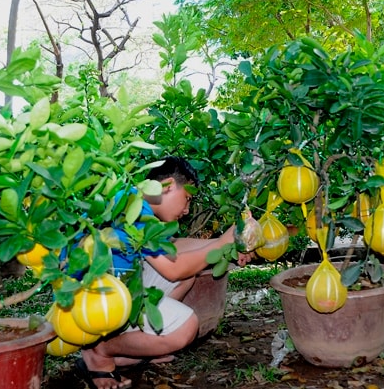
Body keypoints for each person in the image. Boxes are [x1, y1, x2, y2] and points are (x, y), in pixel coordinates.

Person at [75, 156, 254, 389]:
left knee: (188, 274)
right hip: (95, 303)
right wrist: (222, 241)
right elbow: (173, 269)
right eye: (187, 199)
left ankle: (142, 342)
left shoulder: (135, 202)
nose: (187, 210)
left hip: (116, 290)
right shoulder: (134, 208)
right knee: (187, 327)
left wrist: (228, 246)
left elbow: (175, 248)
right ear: (168, 186)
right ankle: (100, 352)